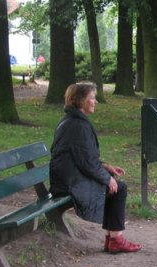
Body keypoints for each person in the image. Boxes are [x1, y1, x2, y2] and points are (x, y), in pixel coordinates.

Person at [49, 82, 142, 254]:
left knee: (115, 186)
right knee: (118, 188)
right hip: (70, 184)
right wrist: (107, 178)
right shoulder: (78, 125)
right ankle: (115, 239)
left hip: (68, 178)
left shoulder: (72, 121)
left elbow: (82, 158)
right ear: (80, 101)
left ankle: (112, 238)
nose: (95, 101)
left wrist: (105, 167)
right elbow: (86, 162)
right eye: (91, 98)